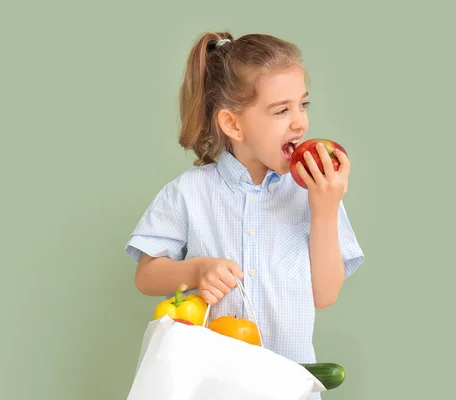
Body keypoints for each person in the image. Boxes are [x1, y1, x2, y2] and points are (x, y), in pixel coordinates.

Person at [124, 31, 364, 399]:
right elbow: (146, 276)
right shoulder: (188, 192)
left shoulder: (316, 194)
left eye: (303, 105)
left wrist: (324, 210)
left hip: (288, 391)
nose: (299, 123)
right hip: (211, 388)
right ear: (233, 124)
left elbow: (325, 293)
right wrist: (195, 270)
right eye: (282, 110)